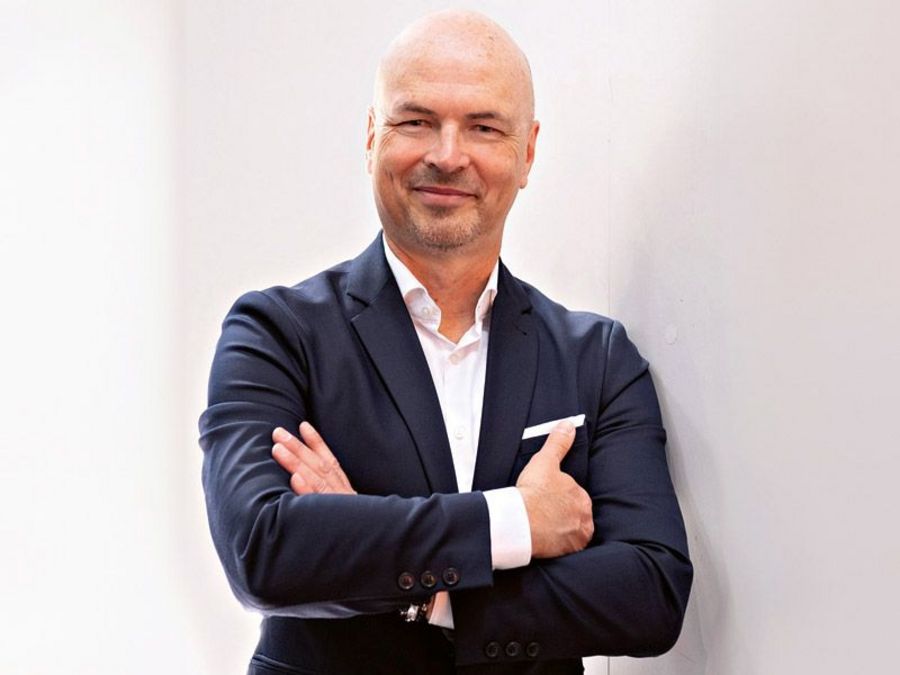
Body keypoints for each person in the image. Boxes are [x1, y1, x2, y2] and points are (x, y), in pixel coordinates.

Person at [200, 10, 692, 674]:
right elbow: (263, 550)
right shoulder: (276, 333)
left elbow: (650, 591)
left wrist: (425, 591)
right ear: (371, 137)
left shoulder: (596, 357)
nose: (448, 155)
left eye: (484, 127)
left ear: (527, 153)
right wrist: (515, 521)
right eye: (416, 121)